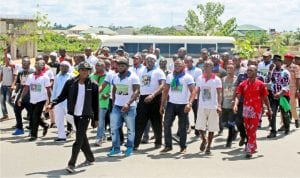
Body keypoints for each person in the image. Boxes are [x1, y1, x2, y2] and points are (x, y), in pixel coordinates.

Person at [48, 61, 99, 173]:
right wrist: (52, 103)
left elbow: (96, 104)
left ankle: (71, 164)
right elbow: (62, 96)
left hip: (85, 115)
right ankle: (90, 158)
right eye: (82, 70)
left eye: (87, 70)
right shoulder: (71, 82)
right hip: (73, 114)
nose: (85, 72)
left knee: (78, 140)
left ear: (89, 71)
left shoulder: (93, 85)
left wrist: (96, 119)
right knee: (82, 138)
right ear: (79, 71)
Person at [234, 65, 272, 158]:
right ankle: (253, 145)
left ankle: (249, 149)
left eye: (251, 70)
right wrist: (235, 104)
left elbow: (265, 97)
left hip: (256, 110)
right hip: (246, 110)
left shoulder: (261, 84)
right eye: (248, 70)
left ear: (255, 72)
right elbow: (238, 95)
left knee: (252, 130)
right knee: (248, 130)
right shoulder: (243, 84)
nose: (248, 72)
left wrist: (269, 109)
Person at [160, 59, 195, 154]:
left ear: (183, 65)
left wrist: (190, 103)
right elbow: (165, 91)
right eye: (176, 65)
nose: (177, 66)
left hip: (183, 105)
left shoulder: (188, 77)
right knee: (166, 124)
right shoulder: (170, 76)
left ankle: (183, 147)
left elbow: (193, 91)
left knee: (182, 127)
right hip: (171, 104)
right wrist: (162, 105)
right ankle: (168, 146)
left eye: (179, 65)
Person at [107, 58, 140, 157]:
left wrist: (128, 103)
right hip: (117, 106)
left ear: (127, 66)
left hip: (130, 107)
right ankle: (116, 148)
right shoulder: (115, 77)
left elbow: (136, 91)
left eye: (122, 65)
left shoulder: (133, 77)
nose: (120, 67)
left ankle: (129, 147)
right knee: (114, 128)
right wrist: (113, 102)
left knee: (130, 129)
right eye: (119, 65)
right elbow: (114, 90)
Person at [134, 54, 165, 150]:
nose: (149, 61)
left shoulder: (159, 71)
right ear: (145, 60)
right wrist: (135, 95)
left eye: (152, 59)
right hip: (143, 99)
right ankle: (135, 144)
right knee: (139, 122)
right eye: (148, 59)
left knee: (156, 122)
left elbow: (162, 85)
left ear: (155, 61)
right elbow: (139, 85)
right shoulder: (142, 70)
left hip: (155, 98)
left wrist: (153, 95)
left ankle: (158, 142)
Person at [17, 60, 51, 141]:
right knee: (33, 116)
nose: (38, 68)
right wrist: (21, 98)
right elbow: (26, 88)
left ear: (43, 67)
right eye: (37, 66)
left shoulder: (45, 77)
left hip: (41, 100)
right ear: (35, 67)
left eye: (40, 66)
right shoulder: (30, 76)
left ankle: (34, 135)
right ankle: (45, 125)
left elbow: (49, 90)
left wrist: (50, 102)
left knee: (35, 116)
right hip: (32, 100)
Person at [194, 60, 222, 154]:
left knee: (212, 127)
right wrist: (195, 102)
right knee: (200, 126)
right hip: (202, 106)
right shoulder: (199, 78)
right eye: (205, 66)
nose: (206, 67)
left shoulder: (217, 79)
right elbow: (197, 91)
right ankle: (204, 139)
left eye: (209, 66)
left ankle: (209, 146)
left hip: (213, 107)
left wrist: (219, 105)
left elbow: (219, 94)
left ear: (212, 67)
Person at [266, 55, 291, 138]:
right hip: (273, 96)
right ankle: (273, 131)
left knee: (284, 114)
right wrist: (269, 71)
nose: (275, 63)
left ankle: (287, 127)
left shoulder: (285, 72)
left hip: (283, 96)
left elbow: (286, 85)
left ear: (281, 62)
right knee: (272, 113)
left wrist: (280, 93)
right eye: (274, 61)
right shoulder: (272, 72)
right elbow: (268, 81)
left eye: (277, 61)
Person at [51, 61, 73, 142]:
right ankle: (61, 136)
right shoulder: (57, 76)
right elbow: (54, 89)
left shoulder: (72, 76)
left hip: (68, 101)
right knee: (58, 119)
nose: (63, 68)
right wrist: (52, 101)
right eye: (62, 66)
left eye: (65, 66)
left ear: (68, 68)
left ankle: (79, 132)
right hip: (58, 101)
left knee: (70, 118)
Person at [90, 61, 111, 146]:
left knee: (100, 120)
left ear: (104, 66)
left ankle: (99, 138)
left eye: (99, 65)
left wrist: (108, 94)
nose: (97, 67)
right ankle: (103, 135)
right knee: (99, 121)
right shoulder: (92, 76)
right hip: (94, 102)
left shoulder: (109, 76)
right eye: (96, 65)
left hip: (104, 101)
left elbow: (114, 87)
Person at [12, 57, 34, 135]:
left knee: (31, 114)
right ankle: (19, 128)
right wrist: (15, 93)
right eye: (23, 63)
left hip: (30, 96)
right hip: (21, 96)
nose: (24, 65)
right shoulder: (20, 72)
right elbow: (18, 84)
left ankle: (32, 129)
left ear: (29, 64)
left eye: (25, 63)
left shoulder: (33, 72)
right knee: (16, 110)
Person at [184, 56, 202, 136]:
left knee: (196, 113)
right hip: (185, 95)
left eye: (188, 62)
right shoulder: (184, 70)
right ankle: (187, 126)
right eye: (185, 62)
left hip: (195, 96)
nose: (187, 64)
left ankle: (197, 128)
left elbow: (198, 83)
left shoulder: (198, 71)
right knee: (185, 112)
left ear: (192, 61)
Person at [221, 64, 237, 147]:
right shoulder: (223, 79)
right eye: (228, 68)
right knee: (223, 123)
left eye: (231, 68)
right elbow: (220, 92)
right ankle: (234, 130)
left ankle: (229, 141)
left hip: (232, 105)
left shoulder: (236, 79)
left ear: (234, 70)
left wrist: (236, 103)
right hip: (224, 104)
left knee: (231, 123)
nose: (229, 69)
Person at [283, 53, 300, 128]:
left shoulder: (296, 67)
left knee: (292, 105)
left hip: (292, 88)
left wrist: (297, 90)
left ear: (290, 59)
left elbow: (298, 79)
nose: (284, 60)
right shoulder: (283, 67)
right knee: (283, 105)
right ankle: (284, 123)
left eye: (286, 58)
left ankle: (296, 119)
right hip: (283, 89)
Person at [0, 50, 17, 121]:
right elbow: (1, 76)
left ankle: (17, 109)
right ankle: (5, 115)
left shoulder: (13, 67)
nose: (5, 60)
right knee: (1, 100)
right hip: (3, 86)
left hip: (9, 86)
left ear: (9, 60)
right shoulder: (2, 67)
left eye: (7, 59)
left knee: (8, 100)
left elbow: (15, 77)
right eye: (5, 59)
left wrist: (13, 85)